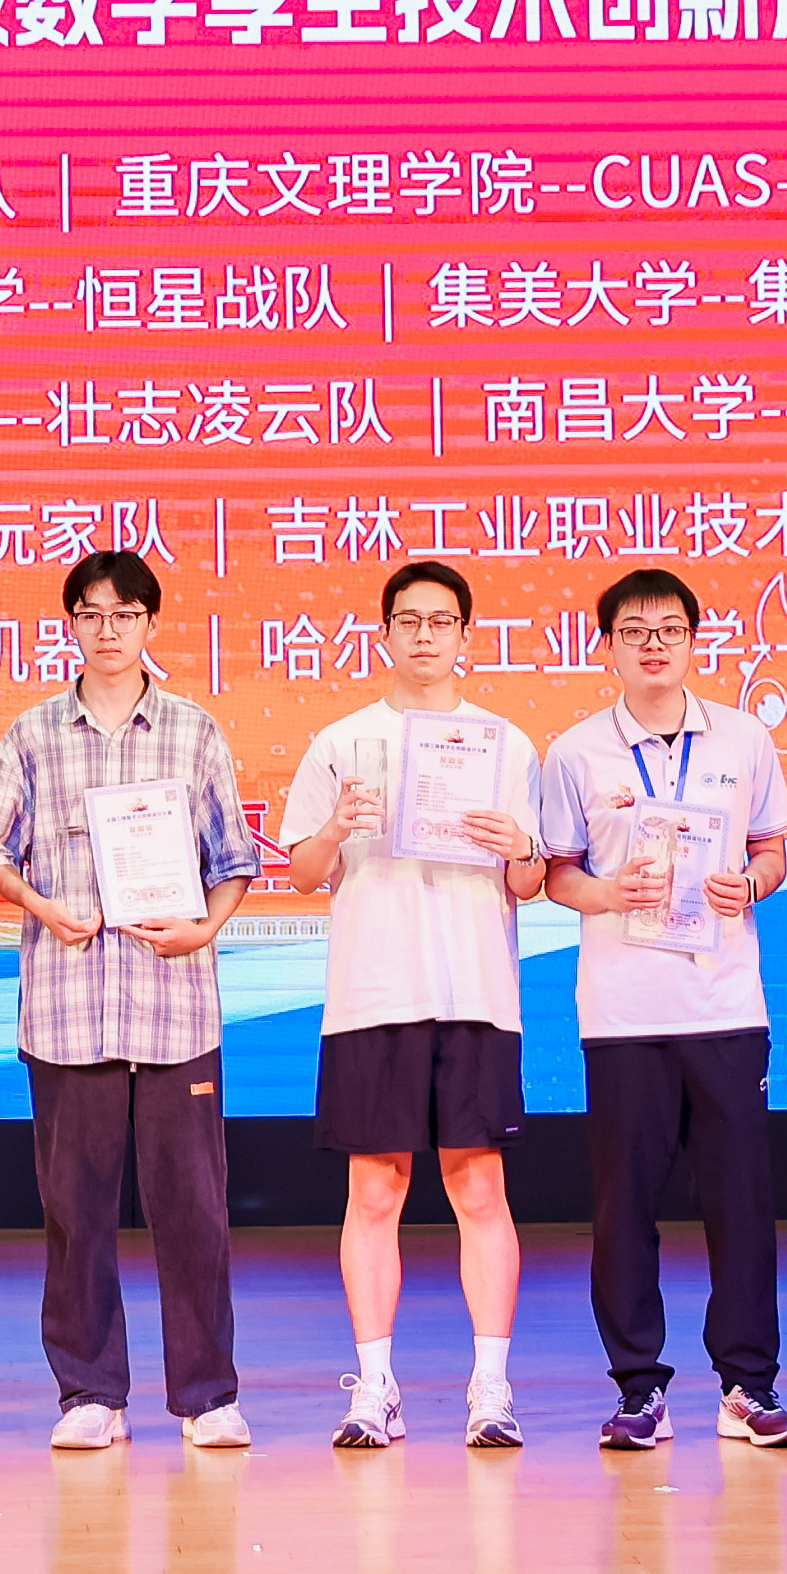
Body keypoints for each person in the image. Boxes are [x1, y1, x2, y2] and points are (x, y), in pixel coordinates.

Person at [0, 549, 268, 1452]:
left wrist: (204, 929)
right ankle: (90, 1394)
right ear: (71, 625)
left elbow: (236, 860)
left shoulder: (193, 731)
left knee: (194, 1211)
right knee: (76, 1214)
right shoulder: (32, 733)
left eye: (125, 614)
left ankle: (207, 1396)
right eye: (92, 614)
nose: (108, 630)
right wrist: (41, 907)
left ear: (150, 625)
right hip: (68, 1008)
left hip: (174, 1007)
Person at [278, 559, 548, 1453]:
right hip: (374, 991)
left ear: (467, 635)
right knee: (374, 1188)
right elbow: (303, 872)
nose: (424, 635)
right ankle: (376, 1388)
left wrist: (520, 847)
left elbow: (531, 880)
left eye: (441, 621)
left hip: (474, 990)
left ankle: (491, 1386)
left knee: (480, 1186)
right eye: (408, 620)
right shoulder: (342, 742)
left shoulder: (505, 745)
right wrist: (336, 827)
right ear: (385, 633)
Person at [531, 567, 787, 1452]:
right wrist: (608, 894)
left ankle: (747, 1384)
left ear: (694, 641)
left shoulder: (744, 739)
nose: (654, 645)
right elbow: (557, 873)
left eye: (671, 629)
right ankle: (639, 1388)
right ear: (606, 645)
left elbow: (772, 852)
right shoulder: (576, 752)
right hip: (623, 1012)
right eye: (635, 631)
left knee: (742, 1202)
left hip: (725, 1004)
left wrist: (749, 884)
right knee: (623, 1207)